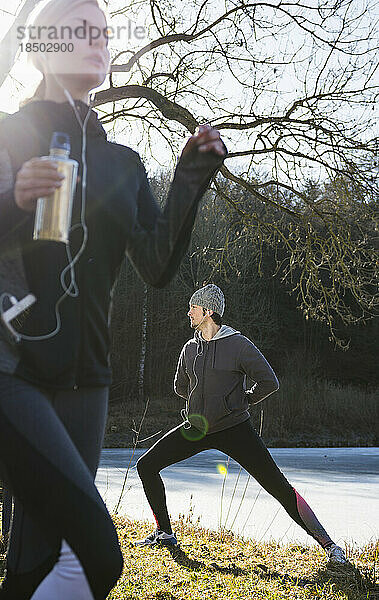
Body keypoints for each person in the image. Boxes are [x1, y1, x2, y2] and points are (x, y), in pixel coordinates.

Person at [0, 0, 227, 597]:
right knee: (99, 555)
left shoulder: (122, 164)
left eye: (103, 31)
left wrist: (189, 178)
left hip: (90, 384)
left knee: (44, 552)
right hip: (14, 371)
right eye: (79, 30)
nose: (97, 38)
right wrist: (12, 201)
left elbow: (155, 265)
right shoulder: (9, 134)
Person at [136, 284, 349, 566]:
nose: (188, 313)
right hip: (197, 427)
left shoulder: (238, 345)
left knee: (278, 486)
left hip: (235, 428)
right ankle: (164, 532)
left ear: (208, 312)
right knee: (146, 465)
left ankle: (330, 546)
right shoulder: (189, 348)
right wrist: (197, 400)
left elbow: (269, 382)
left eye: (193, 308)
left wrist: (242, 400)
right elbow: (179, 386)